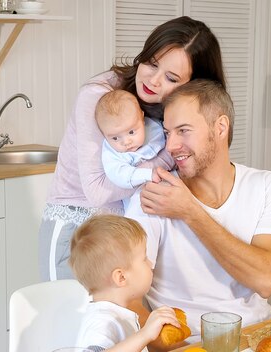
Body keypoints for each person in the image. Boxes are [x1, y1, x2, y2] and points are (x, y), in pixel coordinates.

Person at [38, 16, 226, 281]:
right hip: (79, 231)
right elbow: (97, 190)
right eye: (151, 63)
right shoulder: (100, 98)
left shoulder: (175, 110)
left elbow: (203, 164)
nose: (154, 80)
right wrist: (162, 163)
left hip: (131, 234)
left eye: (171, 77)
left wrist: (245, 207)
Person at [124, 79, 271, 344]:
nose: (171, 146)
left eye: (183, 131)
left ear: (220, 127)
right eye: (167, 133)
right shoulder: (152, 197)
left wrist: (190, 211)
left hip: (256, 336)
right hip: (188, 343)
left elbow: (267, 279)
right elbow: (126, 300)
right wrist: (170, 346)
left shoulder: (265, 185)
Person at [70, 214, 179, 352]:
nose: (150, 263)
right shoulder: (103, 321)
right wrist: (144, 335)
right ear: (121, 277)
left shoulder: (119, 313)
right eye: (144, 258)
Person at [95, 89, 174, 191]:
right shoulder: (112, 152)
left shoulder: (155, 127)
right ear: (104, 135)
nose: (126, 142)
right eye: (115, 138)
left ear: (142, 118)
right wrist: (148, 174)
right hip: (140, 190)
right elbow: (118, 175)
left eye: (131, 132)